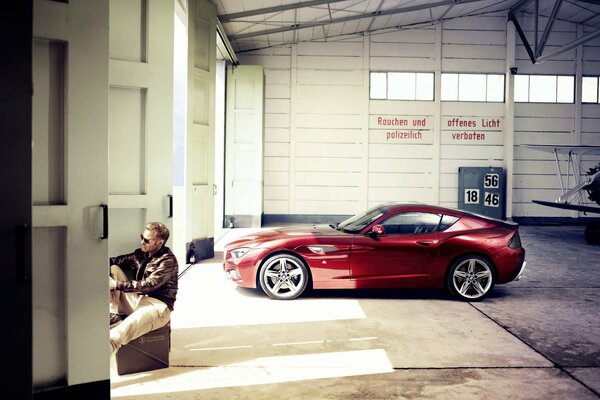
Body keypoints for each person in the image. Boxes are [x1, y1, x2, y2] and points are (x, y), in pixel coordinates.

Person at [109, 222, 178, 355]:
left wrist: (117, 285)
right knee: (114, 270)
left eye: (146, 240)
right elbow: (115, 261)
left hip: (157, 307)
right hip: (138, 301)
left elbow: (150, 285)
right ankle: (113, 314)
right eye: (142, 237)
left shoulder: (168, 261)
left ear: (160, 242)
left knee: (116, 336)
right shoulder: (140, 254)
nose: (142, 241)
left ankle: (94, 370)